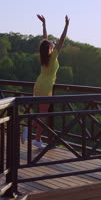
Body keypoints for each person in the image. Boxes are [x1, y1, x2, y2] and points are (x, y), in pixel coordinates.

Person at [23, 14, 70, 148]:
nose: (53, 44)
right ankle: (36, 138)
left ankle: (30, 130)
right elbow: (61, 40)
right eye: (52, 45)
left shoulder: (43, 56)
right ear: (50, 48)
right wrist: (66, 25)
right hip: (46, 87)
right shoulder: (53, 56)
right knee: (42, 115)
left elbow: (45, 40)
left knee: (40, 113)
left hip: (38, 85)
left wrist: (44, 24)